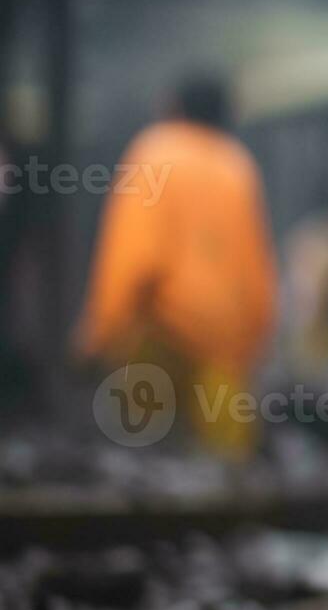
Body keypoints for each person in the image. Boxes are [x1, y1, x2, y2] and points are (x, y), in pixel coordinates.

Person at [73, 71, 277, 459]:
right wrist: (257, 340)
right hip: (224, 346)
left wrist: (99, 333)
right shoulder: (237, 166)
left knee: (138, 466)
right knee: (225, 471)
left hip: (158, 333)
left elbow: (134, 259)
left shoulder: (155, 151)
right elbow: (256, 267)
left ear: (172, 106)